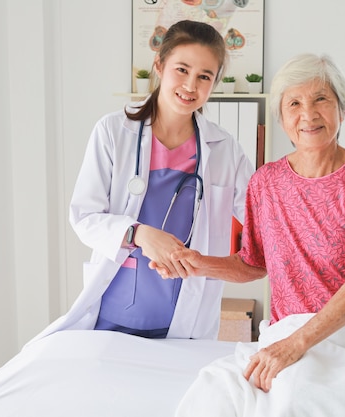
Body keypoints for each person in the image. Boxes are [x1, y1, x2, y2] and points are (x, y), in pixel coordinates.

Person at [157, 52, 345, 392]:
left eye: (321, 99)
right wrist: (199, 264)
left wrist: (295, 345)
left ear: (341, 110)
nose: (308, 114)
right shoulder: (265, 183)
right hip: (290, 332)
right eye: (294, 104)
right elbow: (253, 264)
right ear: (282, 118)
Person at [28, 20, 254, 344]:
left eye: (205, 76)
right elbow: (84, 217)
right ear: (160, 66)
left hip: (185, 323)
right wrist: (140, 234)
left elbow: (262, 218)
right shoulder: (113, 132)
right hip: (112, 316)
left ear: (215, 82)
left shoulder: (224, 149)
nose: (191, 85)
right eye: (182, 69)